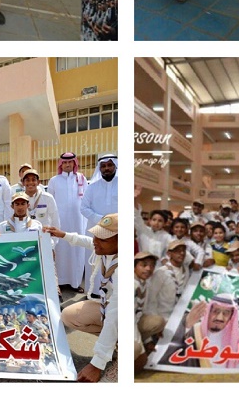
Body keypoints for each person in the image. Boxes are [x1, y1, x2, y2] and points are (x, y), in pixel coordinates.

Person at [44, 213, 118, 382]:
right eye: (96, 236)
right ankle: (116, 346)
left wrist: (96, 364)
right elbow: (86, 241)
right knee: (70, 315)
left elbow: (114, 317)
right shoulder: (108, 249)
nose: (95, 242)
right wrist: (63, 235)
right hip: (109, 307)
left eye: (103, 239)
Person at [167, 294, 239, 369]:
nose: (219, 318)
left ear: (231, 316)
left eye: (226, 313)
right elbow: (170, 353)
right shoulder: (193, 330)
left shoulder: (238, 337)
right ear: (208, 311)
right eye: (215, 311)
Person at [47, 152, 89, 290]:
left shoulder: (81, 178)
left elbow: (86, 200)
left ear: (74, 163)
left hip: (78, 221)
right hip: (60, 221)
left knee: (77, 250)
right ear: (61, 164)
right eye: (64, 162)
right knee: (60, 250)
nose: (67, 164)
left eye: (70, 162)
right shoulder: (54, 180)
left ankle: (75, 282)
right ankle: (59, 282)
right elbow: (50, 202)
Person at [134, 251, 166, 372]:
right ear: (134, 266)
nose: (148, 269)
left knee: (158, 322)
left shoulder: (143, 283)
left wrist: (147, 340)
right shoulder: (132, 284)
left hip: (134, 323)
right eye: (144, 265)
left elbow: (141, 312)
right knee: (140, 360)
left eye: (152, 265)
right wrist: (142, 347)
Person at [81, 154, 118, 230]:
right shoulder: (92, 187)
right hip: (96, 227)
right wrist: (100, 220)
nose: (106, 168)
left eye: (109, 165)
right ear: (99, 168)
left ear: (116, 166)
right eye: (103, 166)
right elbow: (83, 208)